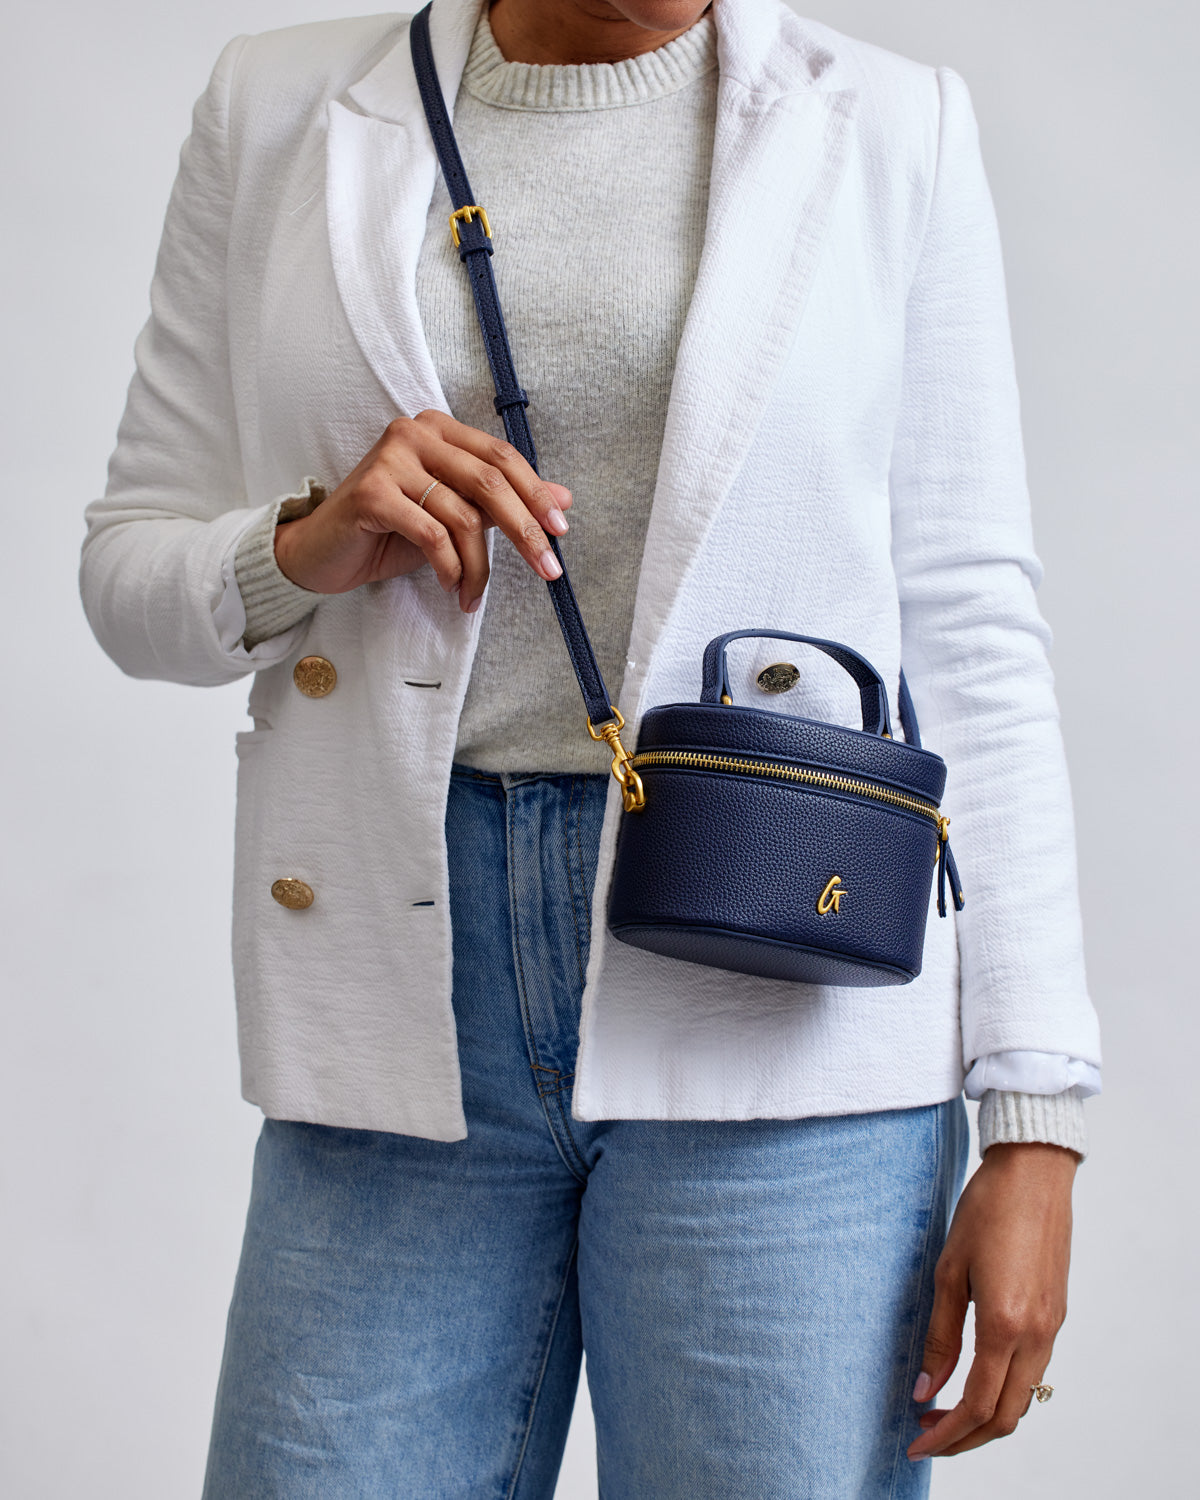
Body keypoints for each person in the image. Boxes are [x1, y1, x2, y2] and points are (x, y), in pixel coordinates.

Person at [79, 0, 1102, 1493]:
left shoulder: (889, 123)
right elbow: (129, 575)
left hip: (781, 996)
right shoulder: (280, 105)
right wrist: (302, 543)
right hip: (404, 983)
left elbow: (972, 634)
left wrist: (1034, 1123)